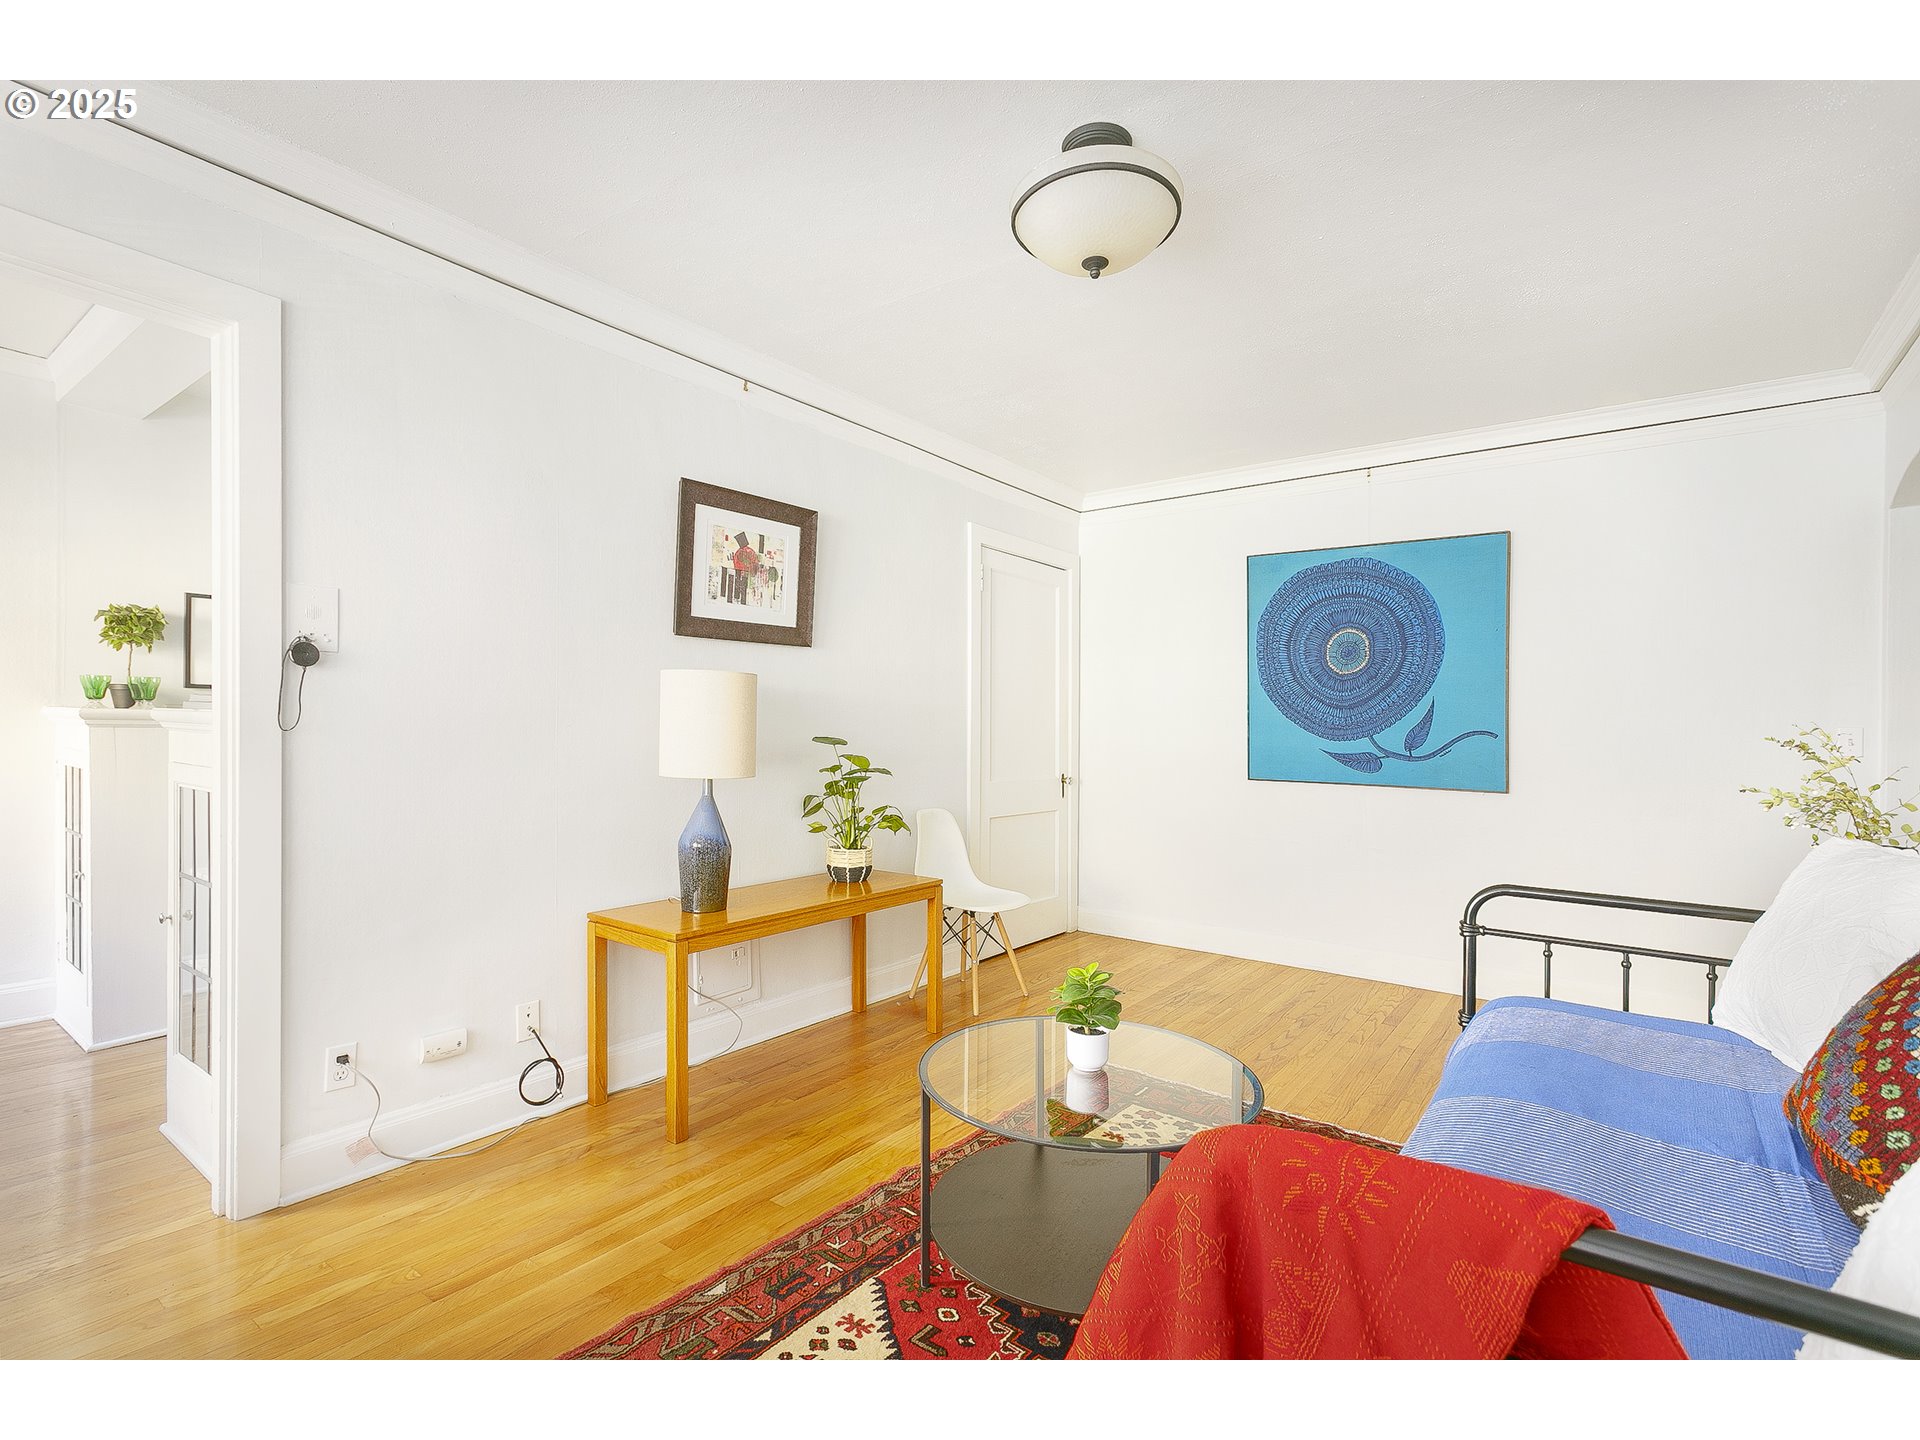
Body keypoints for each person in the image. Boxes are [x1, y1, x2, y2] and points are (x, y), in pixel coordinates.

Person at [728, 531, 760, 604]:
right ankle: (743, 600)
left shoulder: (739, 551)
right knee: (744, 587)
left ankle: (736, 597)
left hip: (739, 571)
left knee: (737, 584)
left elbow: (736, 561)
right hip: (746, 572)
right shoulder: (751, 551)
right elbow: (755, 561)